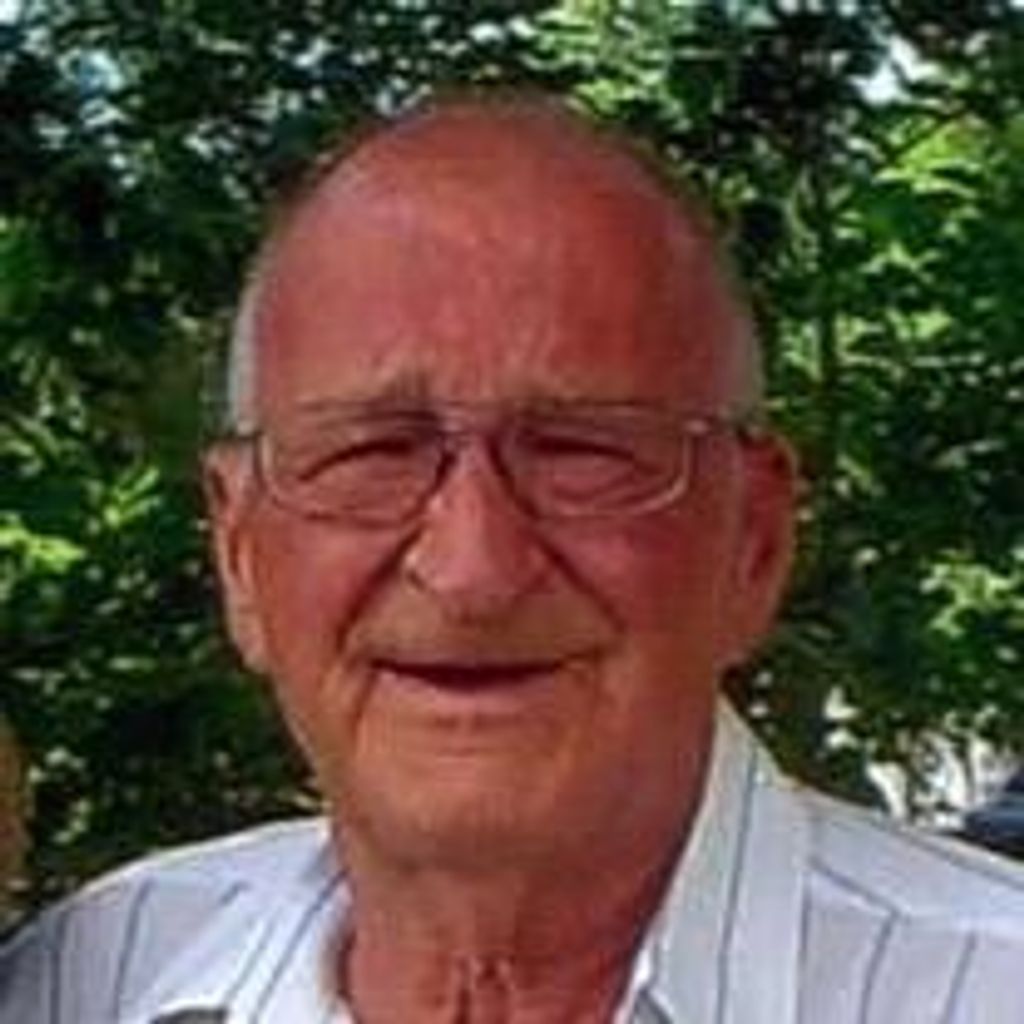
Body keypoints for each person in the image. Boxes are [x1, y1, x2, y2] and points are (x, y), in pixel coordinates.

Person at [2, 94, 1023, 1024]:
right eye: (371, 452)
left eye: (581, 451)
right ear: (238, 555)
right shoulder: (91, 983)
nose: (473, 570)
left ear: (753, 540)